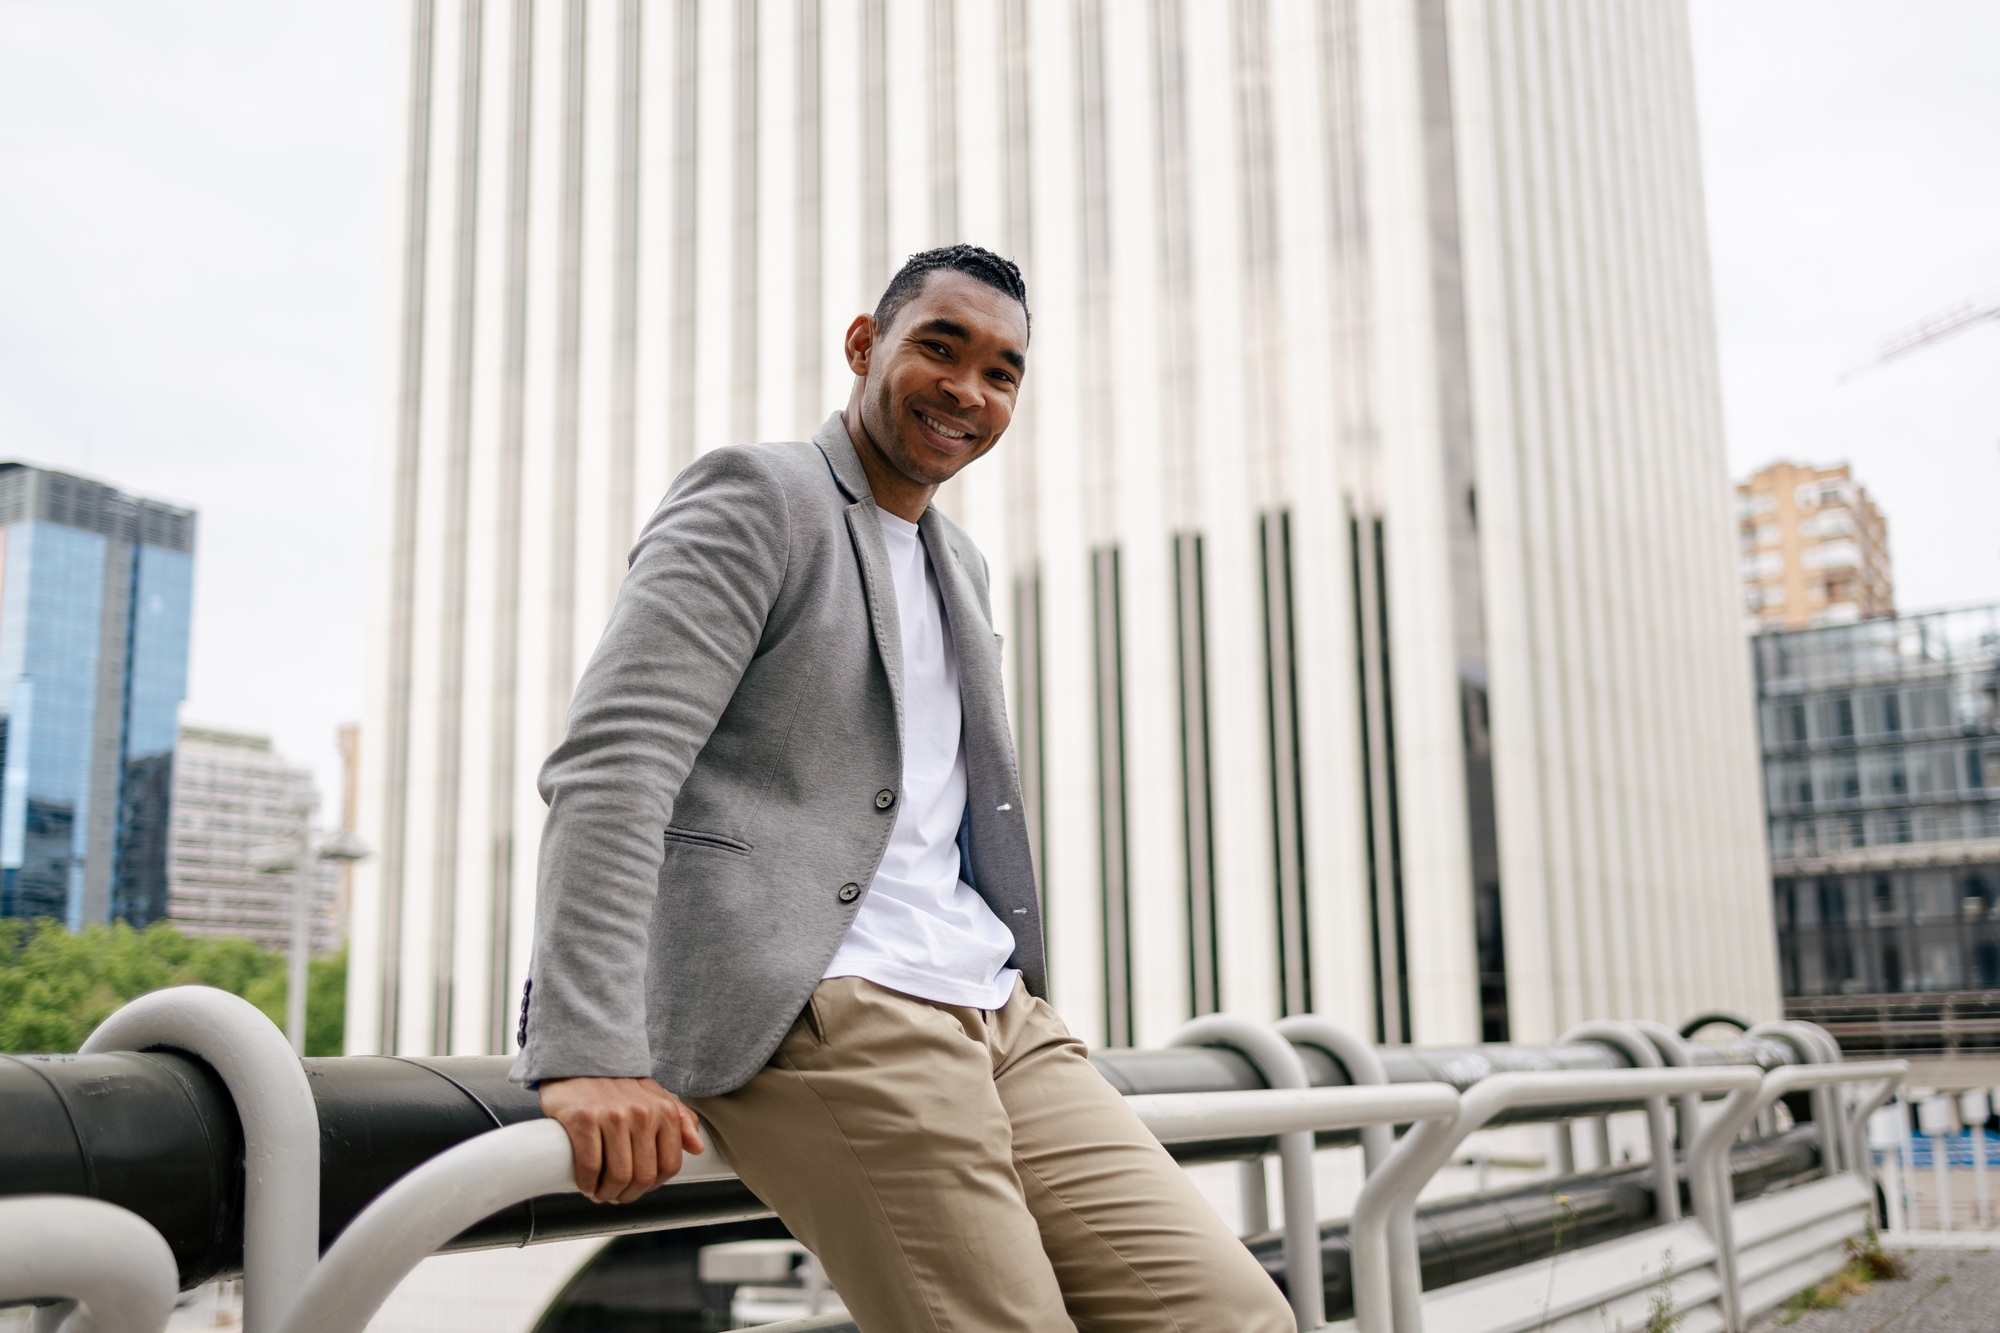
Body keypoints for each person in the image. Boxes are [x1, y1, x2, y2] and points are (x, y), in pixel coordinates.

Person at [513, 244, 1294, 1332]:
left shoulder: (957, 567)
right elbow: (614, 761)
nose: (968, 389)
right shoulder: (760, 497)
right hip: (830, 1010)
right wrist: (589, 1050)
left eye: (1002, 370)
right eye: (939, 346)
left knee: (1232, 1314)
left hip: (998, 1014)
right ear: (863, 345)